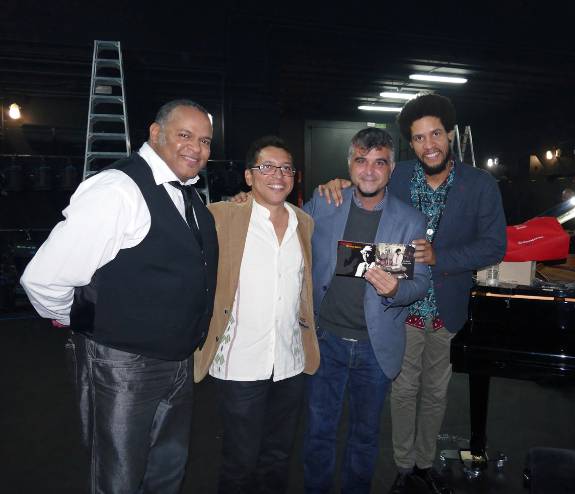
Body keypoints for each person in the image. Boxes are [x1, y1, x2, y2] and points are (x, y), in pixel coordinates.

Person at [20, 99, 218, 493]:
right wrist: (83, 320)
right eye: (184, 135)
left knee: (166, 472)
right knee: (119, 478)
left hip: (178, 361)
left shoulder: (189, 196)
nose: (196, 148)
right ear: (155, 133)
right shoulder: (118, 189)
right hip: (124, 365)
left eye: (205, 141)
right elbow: (42, 279)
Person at [317, 94, 507, 494]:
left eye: (435, 134)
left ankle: (424, 464)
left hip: (446, 306)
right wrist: (337, 184)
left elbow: (494, 246)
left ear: (450, 135)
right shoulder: (397, 173)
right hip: (395, 309)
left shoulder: (480, 184)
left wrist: (441, 257)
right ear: (411, 144)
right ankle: (404, 466)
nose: (429, 144)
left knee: (435, 392)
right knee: (402, 391)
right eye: (419, 138)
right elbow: (364, 181)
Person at [303, 127, 431, 494]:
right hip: (326, 339)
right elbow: (284, 224)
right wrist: (245, 203)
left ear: (392, 168)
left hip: (376, 347)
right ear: (349, 165)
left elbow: (420, 283)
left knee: (364, 437)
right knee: (318, 432)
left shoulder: (409, 220)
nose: (370, 171)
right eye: (361, 161)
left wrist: (396, 290)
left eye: (380, 162)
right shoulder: (325, 203)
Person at [194, 136, 319, 493]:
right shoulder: (222, 216)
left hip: (290, 363)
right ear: (249, 176)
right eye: (267, 167)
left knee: (278, 457)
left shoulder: (304, 223)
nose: (278, 175)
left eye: (286, 168)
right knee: (240, 461)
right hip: (240, 364)